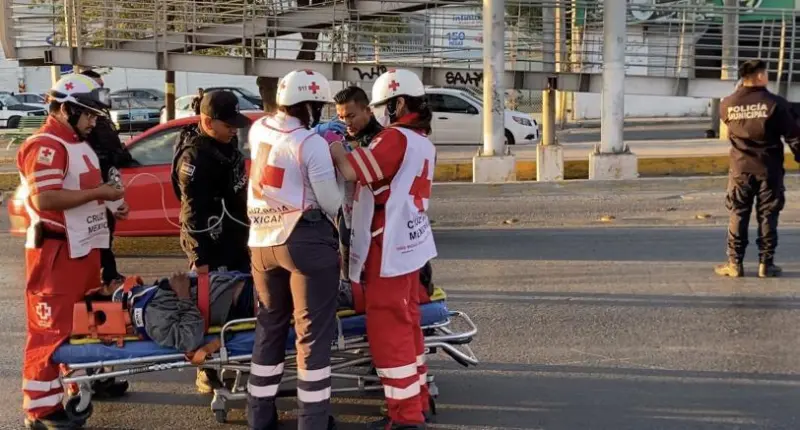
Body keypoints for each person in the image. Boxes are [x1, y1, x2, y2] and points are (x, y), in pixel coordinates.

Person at [328, 69, 437, 430]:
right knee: (408, 325)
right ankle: (418, 402)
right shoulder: (422, 140)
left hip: (386, 246)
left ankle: (405, 418)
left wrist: (331, 146)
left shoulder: (395, 139)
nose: (378, 115)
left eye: (381, 108)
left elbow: (349, 170)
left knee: (389, 332)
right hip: (410, 245)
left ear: (399, 103)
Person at [17, 73, 127, 429]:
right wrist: (100, 195)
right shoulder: (46, 145)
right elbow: (44, 198)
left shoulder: (77, 142)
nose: (95, 121)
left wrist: (111, 205)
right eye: (90, 115)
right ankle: (41, 409)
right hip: (56, 254)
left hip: (82, 250)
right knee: (50, 332)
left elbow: (82, 188)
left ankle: (76, 388)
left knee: (81, 327)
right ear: (66, 109)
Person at [245, 69, 343, 430]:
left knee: (269, 326)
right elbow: (332, 203)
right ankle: (312, 422)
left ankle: (259, 416)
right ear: (308, 106)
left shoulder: (258, 129)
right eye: (318, 106)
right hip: (304, 241)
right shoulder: (311, 143)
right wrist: (336, 160)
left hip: (261, 241)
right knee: (312, 336)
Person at [171, 90, 252, 393]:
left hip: (236, 239)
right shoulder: (195, 158)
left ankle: (236, 359)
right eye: (228, 123)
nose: (234, 129)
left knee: (241, 304)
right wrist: (199, 259)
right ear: (208, 121)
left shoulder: (228, 145)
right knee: (209, 309)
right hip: (208, 244)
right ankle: (206, 369)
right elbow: (191, 213)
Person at [715, 59, 800, 278]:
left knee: (738, 212)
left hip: (740, 169)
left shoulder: (726, 103)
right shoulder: (776, 104)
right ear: (760, 76)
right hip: (768, 168)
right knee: (768, 214)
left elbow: (730, 125)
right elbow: (794, 136)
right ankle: (766, 263)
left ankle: (734, 263)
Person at [80, 69, 135, 288]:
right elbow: (107, 150)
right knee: (98, 236)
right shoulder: (89, 124)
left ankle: (108, 274)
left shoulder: (100, 118)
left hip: (107, 183)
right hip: (95, 188)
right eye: (97, 86)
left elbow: (114, 151)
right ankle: (106, 276)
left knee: (105, 234)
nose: (102, 91)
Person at [109, 271, 255, 352]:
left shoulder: (148, 299)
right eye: (115, 281)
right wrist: (183, 295)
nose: (118, 279)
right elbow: (189, 341)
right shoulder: (151, 320)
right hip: (240, 300)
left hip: (237, 286)